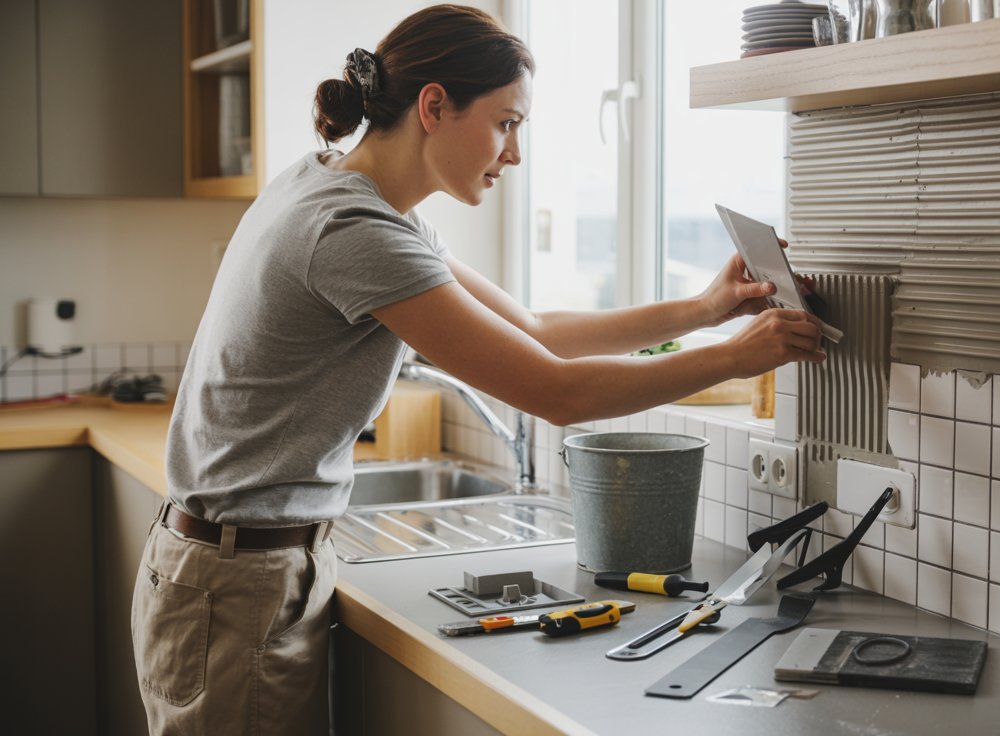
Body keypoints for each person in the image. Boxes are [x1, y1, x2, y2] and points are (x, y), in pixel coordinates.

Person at [131, 4, 825, 734]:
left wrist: (704, 310)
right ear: (435, 106)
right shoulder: (354, 230)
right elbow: (553, 391)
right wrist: (739, 358)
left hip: (238, 573)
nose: (514, 153)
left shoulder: (350, 195)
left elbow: (533, 332)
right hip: (239, 586)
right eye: (505, 123)